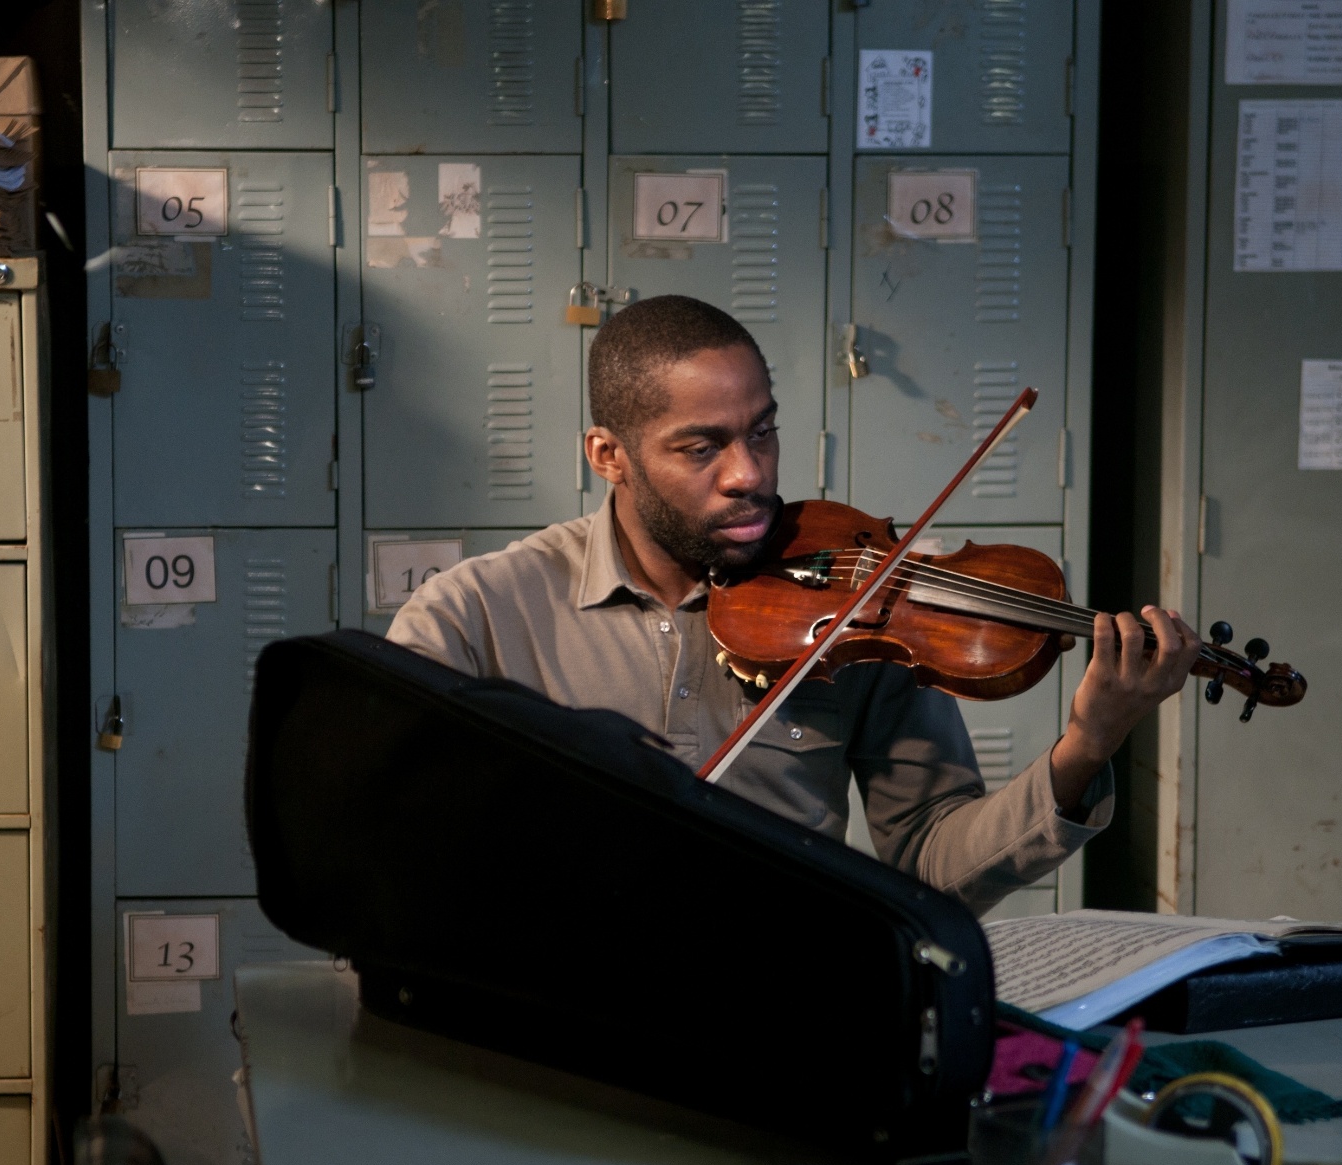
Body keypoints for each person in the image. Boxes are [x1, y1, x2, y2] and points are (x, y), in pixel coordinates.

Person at [389, 296, 1200, 914]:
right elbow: (405, 834)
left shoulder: (864, 607)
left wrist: (1089, 744)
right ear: (610, 455)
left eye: (763, 432)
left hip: (787, 1001)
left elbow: (930, 858)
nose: (749, 473)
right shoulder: (478, 612)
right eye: (702, 447)